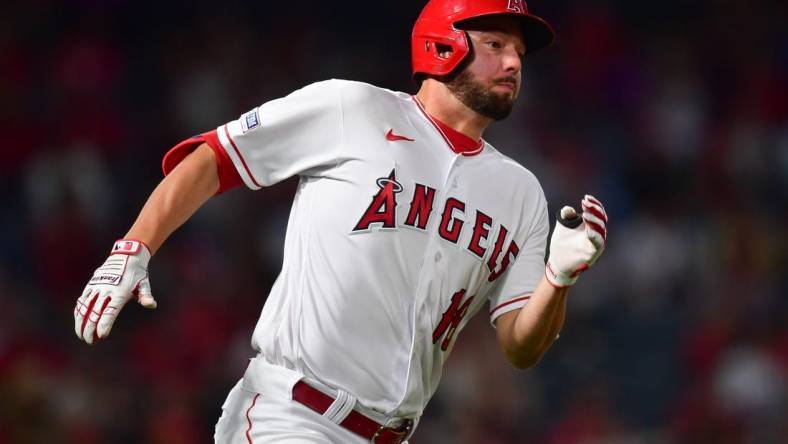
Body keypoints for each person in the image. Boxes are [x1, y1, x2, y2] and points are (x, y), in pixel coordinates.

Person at [73, 1, 608, 442]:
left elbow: (520, 344)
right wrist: (133, 248)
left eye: (519, 52)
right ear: (443, 43)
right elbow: (213, 157)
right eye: (496, 44)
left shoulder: (520, 192)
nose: (514, 62)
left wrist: (557, 279)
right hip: (294, 417)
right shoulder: (354, 108)